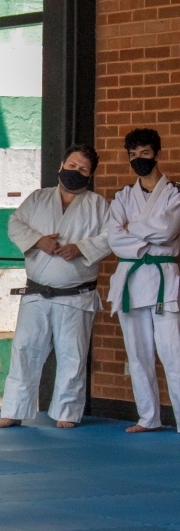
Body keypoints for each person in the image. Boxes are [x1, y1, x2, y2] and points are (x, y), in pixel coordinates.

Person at [0, 144, 111, 430]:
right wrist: (39, 241)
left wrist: (81, 248)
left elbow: (112, 237)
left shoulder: (99, 205)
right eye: (72, 165)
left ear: (90, 175)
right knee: (25, 350)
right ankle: (14, 410)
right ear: (61, 166)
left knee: (72, 355)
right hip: (37, 292)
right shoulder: (38, 198)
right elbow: (15, 224)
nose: (76, 171)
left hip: (76, 296)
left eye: (83, 169)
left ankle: (67, 412)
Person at [106, 128, 180, 433]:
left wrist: (131, 227)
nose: (138, 159)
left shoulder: (175, 193)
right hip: (131, 281)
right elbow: (114, 238)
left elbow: (168, 230)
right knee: (137, 355)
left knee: (173, 354)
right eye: (133, 154)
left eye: (144, 153)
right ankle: (148, 418)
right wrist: (146, 233)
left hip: (163, 281)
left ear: (157, 154)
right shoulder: (123, 196)